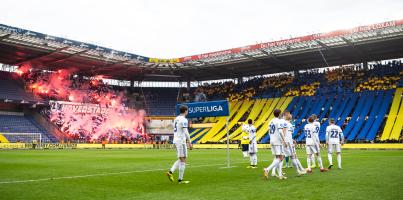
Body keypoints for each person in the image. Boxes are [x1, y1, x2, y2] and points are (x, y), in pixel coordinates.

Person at [166, 105, 193, 184]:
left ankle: (171, 172)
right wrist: (190, 142)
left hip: (176, 140)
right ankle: (179, 179)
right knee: (183, 159)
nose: (187, 112)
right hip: (181, 141)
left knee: (181, 158)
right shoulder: (184, 120)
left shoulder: (176, 119)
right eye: (187, 110)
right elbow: (186, 132)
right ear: (185, 111)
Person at [264, 109, 287, 180]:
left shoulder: (270, 121)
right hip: (277, 141)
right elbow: (280, 131)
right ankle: (268, 169)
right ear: (279, 114)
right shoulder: (279, 121)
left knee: (277, 158)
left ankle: (280, 175)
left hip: (272, 140)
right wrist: (284, 141)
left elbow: (269, 131)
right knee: (282, 157)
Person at [283, 111, 306, 176]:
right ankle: (300, 170)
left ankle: (299, 171)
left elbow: (284, 133)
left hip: (286, 142)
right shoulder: (290, 124)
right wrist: (292, 140)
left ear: (285, 117)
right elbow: (289, 134)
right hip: (289, 141)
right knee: (293, 157)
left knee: (281, 157)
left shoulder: (285, 124)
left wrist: (284, 141)